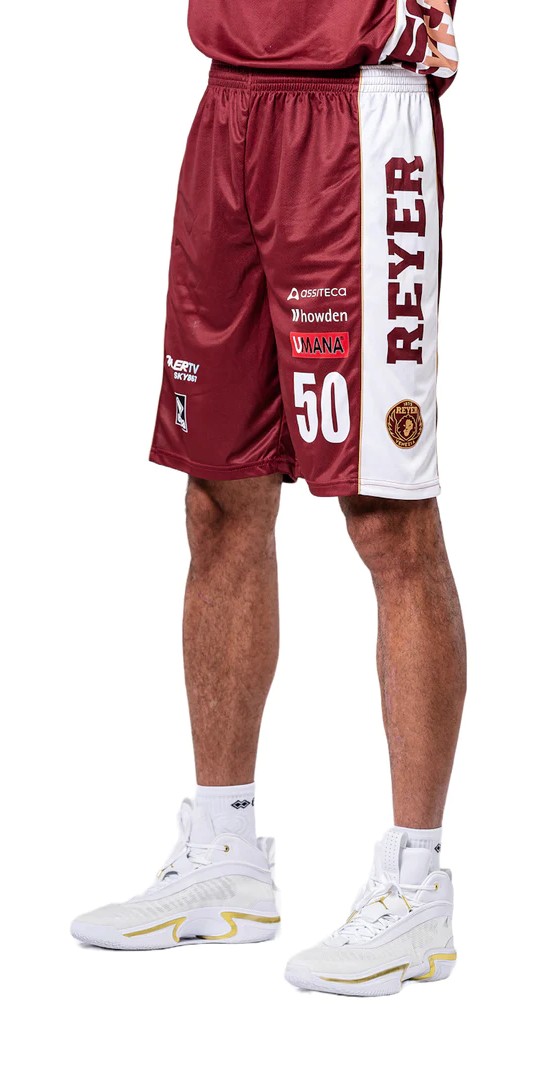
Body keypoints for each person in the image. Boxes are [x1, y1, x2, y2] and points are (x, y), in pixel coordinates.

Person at [71, 1, 466, 997]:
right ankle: (225, 855)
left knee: (385, 513)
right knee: (218, 496)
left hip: (355, 110)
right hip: (230, 101)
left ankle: (415, 888)